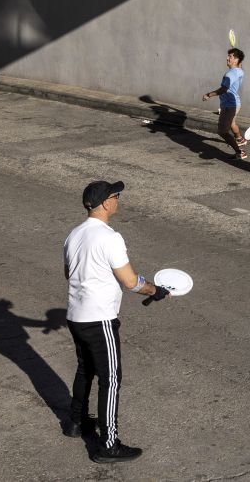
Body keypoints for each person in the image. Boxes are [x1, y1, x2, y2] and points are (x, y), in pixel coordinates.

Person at [63, 180, 171, 463]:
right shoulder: (110, 237)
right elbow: (130, 281)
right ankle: (108, 444)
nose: (118, 200)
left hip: (75, 315)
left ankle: (76, 422)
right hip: (99, 319)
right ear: (106, 203)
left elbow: (69, 273)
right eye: (116, 196)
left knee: (86, 370)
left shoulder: (74, 235)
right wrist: (155, 291)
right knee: (110, 379)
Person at [203, 48, 247, 159]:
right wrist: (239, 59)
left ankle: (240, 151)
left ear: (236, 60)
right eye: (228, 56)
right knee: (228, 125)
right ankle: (239, 139)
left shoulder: (231, 74)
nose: (227, 58)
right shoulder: (239, 71)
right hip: (230, 104)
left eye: (230, 56)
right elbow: (239, 66)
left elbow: (223, 89)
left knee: (223, 131)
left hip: (229, 105)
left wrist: (209, 95)